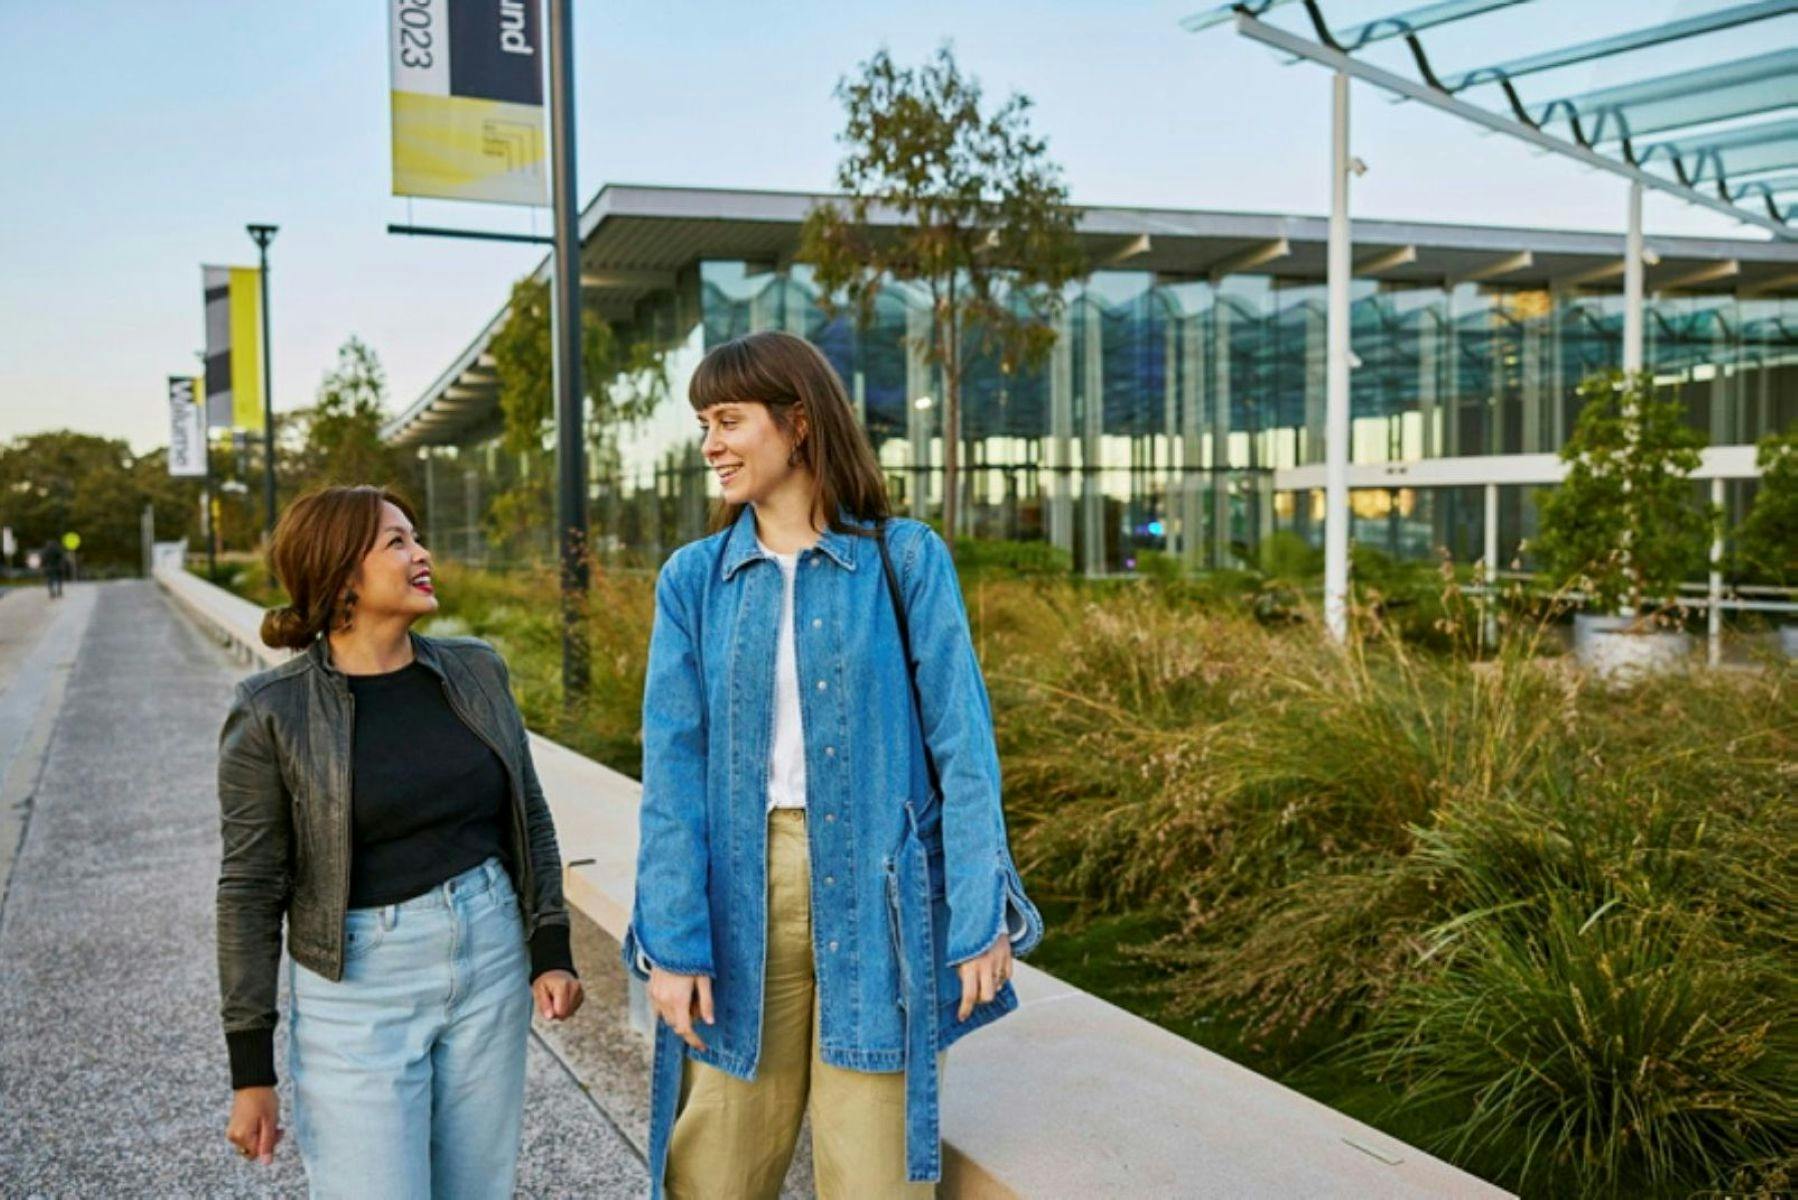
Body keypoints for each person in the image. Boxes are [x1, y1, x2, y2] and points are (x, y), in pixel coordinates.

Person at [622, 331, 1045, 1199]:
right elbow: (672, 774)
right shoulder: (693, 581)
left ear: (799, 422)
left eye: (730, 419)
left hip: (880, 895)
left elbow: (964, 747)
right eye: (704, 421)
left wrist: (978, 913)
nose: (711, 443)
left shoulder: (905, 559)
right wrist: (670, 940)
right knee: (717, 1170)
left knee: (877, 1176)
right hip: (742, 891)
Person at [215, 484, 584, 1197]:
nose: (422, 554)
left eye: (415, 537)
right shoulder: (271, 713)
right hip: (357, 987)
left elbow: (528, 814)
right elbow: (249, 893)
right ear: (341, 572)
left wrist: (550, 947)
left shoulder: (476, 670)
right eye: (397, 542)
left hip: (489, 958)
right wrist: (250, 1071)